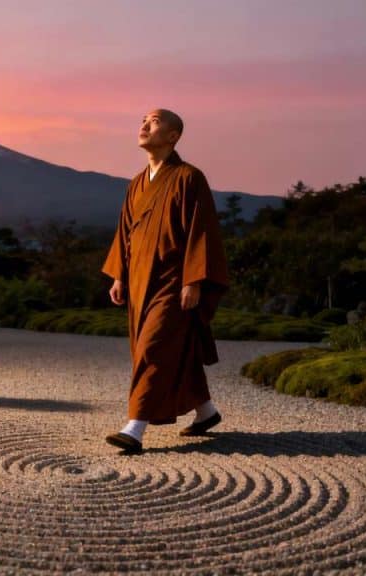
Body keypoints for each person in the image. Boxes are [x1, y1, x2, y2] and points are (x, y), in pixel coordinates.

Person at [101, 109, 229, 454]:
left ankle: (135, 426)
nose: (144, 125)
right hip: (141, 281)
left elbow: (201, 231)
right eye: (143, 120)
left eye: (154, 121)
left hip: (174, 280)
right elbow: (125, 232)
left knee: (153, 348)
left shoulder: (189, 177)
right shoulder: (137, 183)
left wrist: (194, 280)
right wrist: (118, 274)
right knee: (176, 349)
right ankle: (206, 410)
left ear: (173, 136)